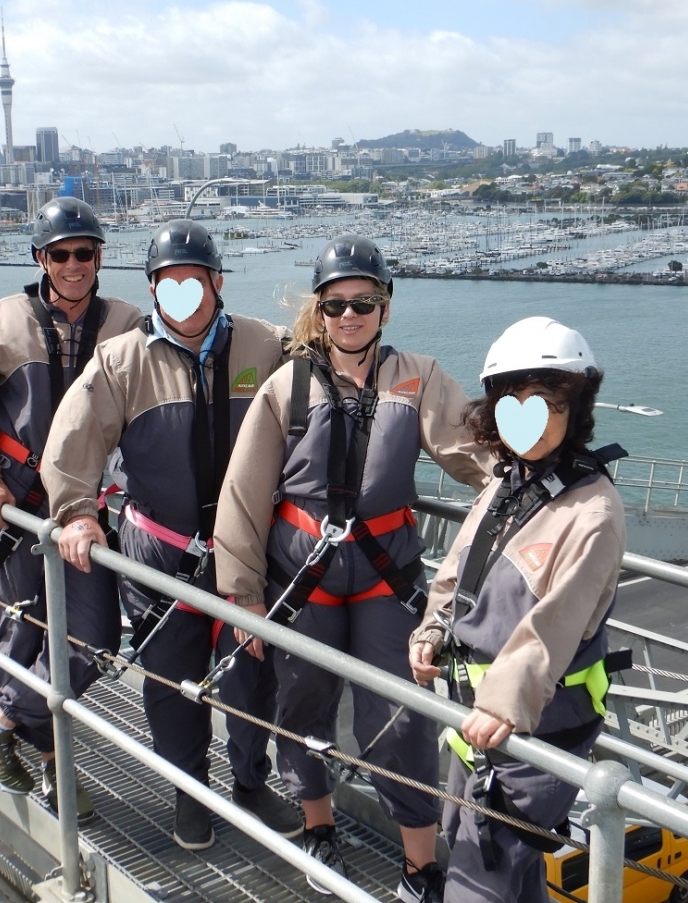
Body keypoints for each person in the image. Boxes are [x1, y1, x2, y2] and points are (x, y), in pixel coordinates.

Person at [212, 234, 492, 902]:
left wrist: (531, 482)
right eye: (335, 304)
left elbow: (475, 454)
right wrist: (242, 596)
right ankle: (318, 825)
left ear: (384, 308)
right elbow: (244, 492)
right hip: (300, 576)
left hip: (383, 577)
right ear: (319, 310)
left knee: (402, 714)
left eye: (363, 303)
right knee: (302, 701)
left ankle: (420, 864)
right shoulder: (288, 385)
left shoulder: (416, 378)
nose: (349, 315)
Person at [41, 218, 302, 850]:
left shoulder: (265, 347)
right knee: (169, 675)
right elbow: (73, 440)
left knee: (252, 673)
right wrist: (77, 511)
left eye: (194, 282)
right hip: (160, 551)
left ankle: (250, 781)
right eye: (167, 283)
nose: (182, 295)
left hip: (245, 548)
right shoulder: (122, 360)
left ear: (217, 283)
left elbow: (324, 391)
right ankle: (189, 791)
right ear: (153, 288)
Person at [408, 316, 627, 903]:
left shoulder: (592, 511)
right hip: (476, 720)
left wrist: (503, 703)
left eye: (545, 402)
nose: (526, 417)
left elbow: (557, 622)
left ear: (575, 410)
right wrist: (432, 630)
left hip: (533, 727)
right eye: (512, 401)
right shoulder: (509, 484)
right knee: (502, 865)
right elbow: (458, 569)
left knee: (482, 873)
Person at [0, 197, 142, 820]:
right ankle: (58, 770)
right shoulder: (5, 319)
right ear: (40, 258)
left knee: (94, 639)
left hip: (84, 511)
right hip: (18, 508)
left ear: (100, 257)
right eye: (61, 255)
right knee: (21, 636)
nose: (73, 265)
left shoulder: (127, 323)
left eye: (85, 253)